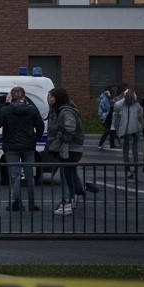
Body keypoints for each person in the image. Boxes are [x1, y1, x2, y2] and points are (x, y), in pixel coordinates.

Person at [0, 85, 44, 212]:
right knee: (29, 176)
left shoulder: (6, 110)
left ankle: (16, 203)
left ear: (10, 96)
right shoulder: (31, 109)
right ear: (24, 96)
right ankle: (32, 204)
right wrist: (35, 137)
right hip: (28, 146)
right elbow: (40, 126)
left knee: (15, 175)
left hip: (11, 146)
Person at [46, 87, 86, 216]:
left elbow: (70, 128)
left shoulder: (65, 112)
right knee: (70, 173)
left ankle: (67, 202)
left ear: (58, 97)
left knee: (66, 175)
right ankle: (76, 194)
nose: (49, 98)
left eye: (51, 96)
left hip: (70, 148)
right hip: (71, 148)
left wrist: (63, 140)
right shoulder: (58, 110)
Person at [111, 88, 144, 181]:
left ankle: (128, 171)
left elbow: (116, 116)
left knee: (125, 151)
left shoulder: (120, 105)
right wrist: (141, 128)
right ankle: (136, 170)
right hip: (135, 130)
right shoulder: (137, 106)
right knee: (135, 150)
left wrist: (116, 129)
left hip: (125, 131)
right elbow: (141, 117)